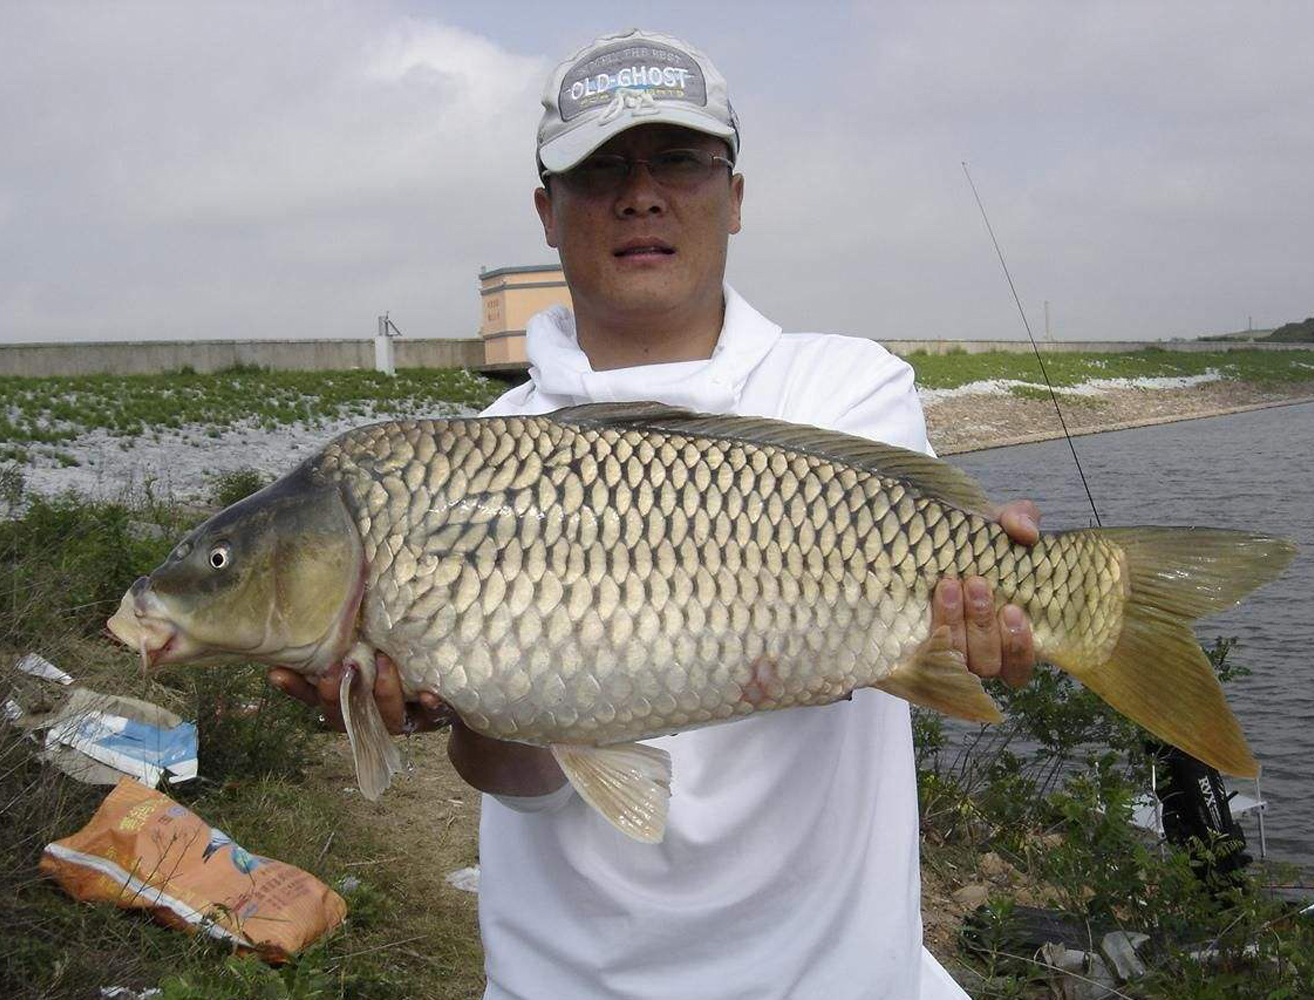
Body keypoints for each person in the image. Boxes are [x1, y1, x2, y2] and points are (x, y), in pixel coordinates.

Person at [270, 29, 1042, 999]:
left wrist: (980, 621)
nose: (641, 194)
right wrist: (453, 694)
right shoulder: (481, 454)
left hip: (833, 976)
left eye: (678, 159)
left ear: (737, 196)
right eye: (600, 170)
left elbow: (881, 642)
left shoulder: (846, 390)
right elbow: (523, 779)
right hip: (566, 979)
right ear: (548, 214)